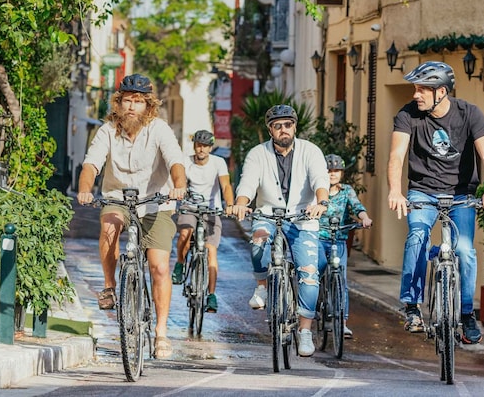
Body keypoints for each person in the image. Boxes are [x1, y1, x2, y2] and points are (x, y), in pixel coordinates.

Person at [387, 61, 484, 344]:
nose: (416, 95)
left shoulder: (470, 113)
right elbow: (397, 156)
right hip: (422, 192)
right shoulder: (408, 115)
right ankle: (412, 307)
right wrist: (395, 190)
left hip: (461, 194)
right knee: (417, 236)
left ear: (442, 92)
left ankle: (465, 314)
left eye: (423, 89)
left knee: (464, 249)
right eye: (415, 88)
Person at [76, 74, 187, 359]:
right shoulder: (107, 131)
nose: (131, 107)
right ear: (119, 102)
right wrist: (85, 190)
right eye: (127, 100)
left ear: (148, 106)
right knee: (109, 228)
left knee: (159, 266)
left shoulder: (159, 129)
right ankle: (111, 288)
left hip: (155, 204)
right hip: (118, 198)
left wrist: (179, 186)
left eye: (138, 102)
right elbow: (91, 164)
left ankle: (161, 332)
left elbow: (175, 160)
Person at [227, 105, 329, 357]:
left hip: (302, 218)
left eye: (287, 124)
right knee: (258, 241)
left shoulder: (311, 151)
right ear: (270, 129)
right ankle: (262, 285)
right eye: (277, 125)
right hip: (268, 214)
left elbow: (320, 180)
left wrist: (321, 203)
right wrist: (241, 204)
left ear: (294, 126)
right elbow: (247, 183)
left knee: (308, 273)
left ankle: (305, 330)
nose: (283, 129)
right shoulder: (257, 154)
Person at [172, 130, 234, 314]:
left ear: (210, 147)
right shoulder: (185, 161)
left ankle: (211, 295)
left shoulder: (218, 163)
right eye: (199, 145)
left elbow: (226, 186)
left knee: (210, 251)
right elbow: (179, 183)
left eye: (205, 146)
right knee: (185, 233)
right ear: (194, 145)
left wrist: (229, 204)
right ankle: (180, 263)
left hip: (211, 211)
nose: (202, 149)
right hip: (189, 207)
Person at [317, 154, 373, 339]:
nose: (332, 174)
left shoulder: (347, 190)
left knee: (341, 278)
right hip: (319, 238)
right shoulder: (318, 189)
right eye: (329, 170)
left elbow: (357, 207)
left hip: (339, 240)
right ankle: (315, 308)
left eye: (336, 170)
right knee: (315, 273)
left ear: (341, 173)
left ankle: (343, 323)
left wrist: (364, 218)